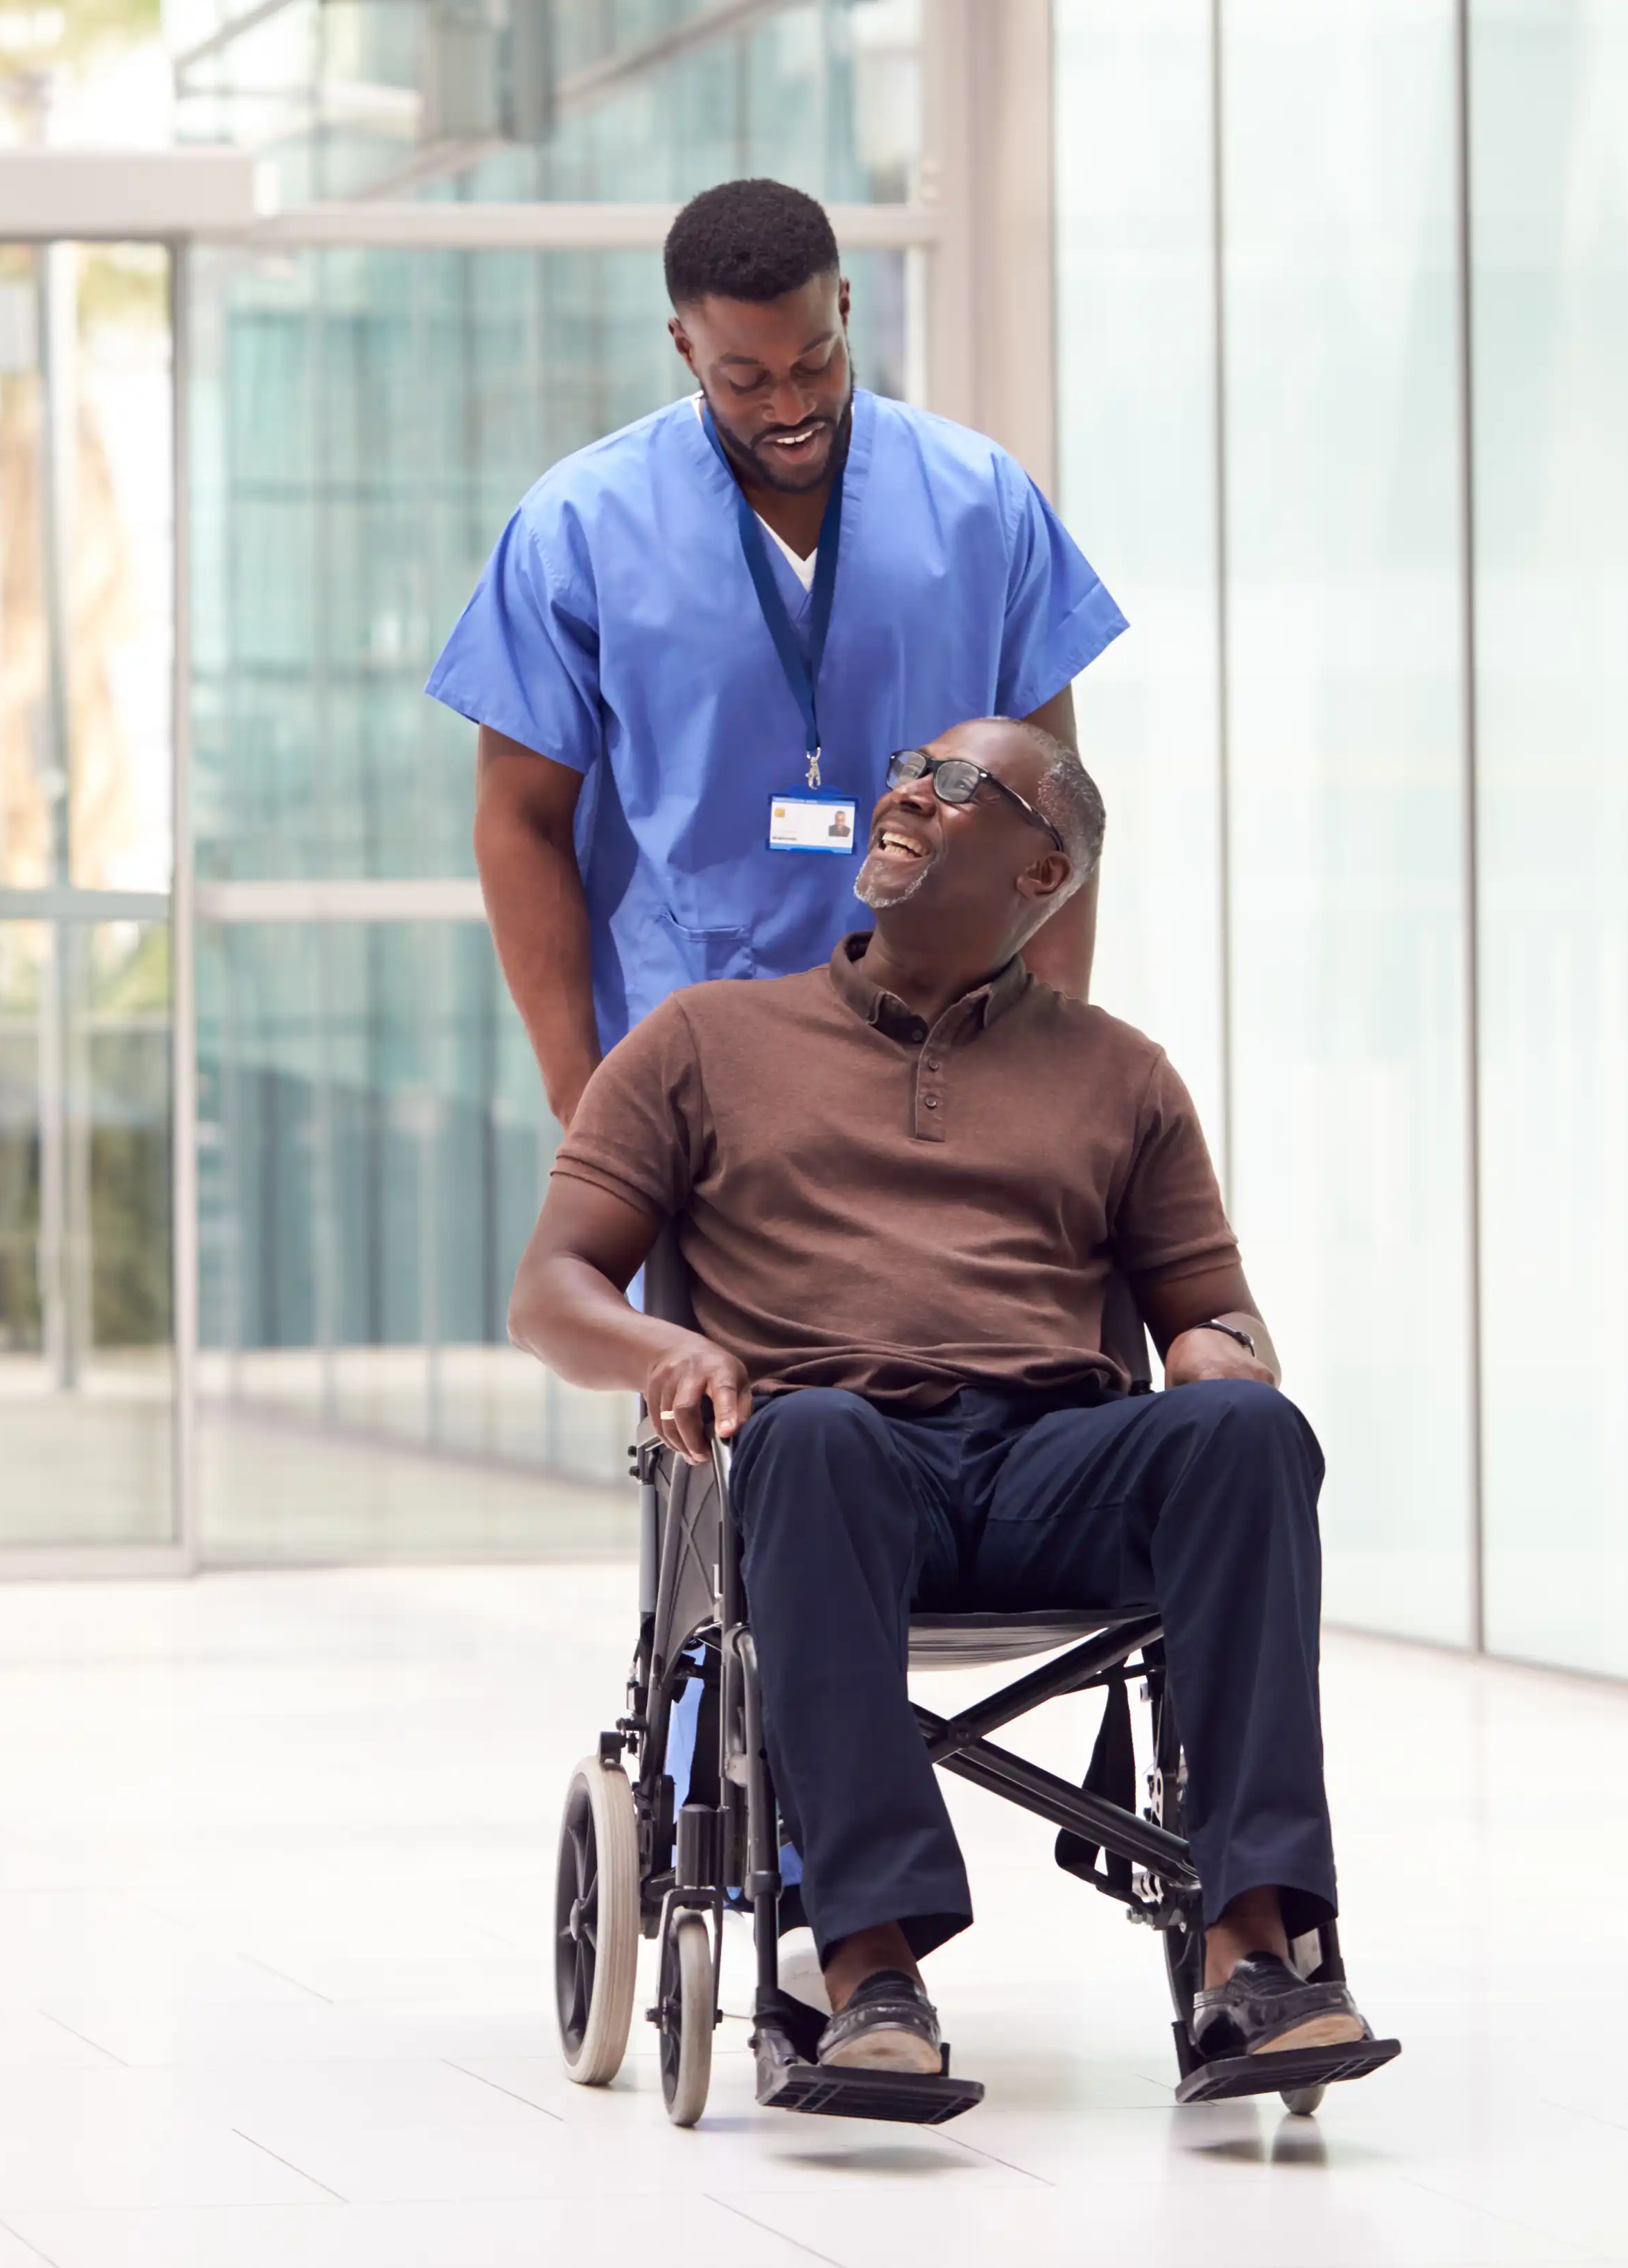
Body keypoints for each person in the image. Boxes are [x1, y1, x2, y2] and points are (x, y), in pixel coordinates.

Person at [504, 716, 1378, 2089]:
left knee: (1251, 1433)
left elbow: (1215, 1307)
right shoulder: (703, 1043)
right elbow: (552, 1287)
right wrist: (667, 1354)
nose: (904, 789)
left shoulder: (1121, 1075)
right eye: (905, 768)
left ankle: (1255, 1959)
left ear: (1044, 875)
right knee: (813, 1431)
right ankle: (865, 1974)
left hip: (1051, 1464)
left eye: (958, 785)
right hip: (836, 1472)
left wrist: (1222, 1348)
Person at [438, 180, 1127, 1129]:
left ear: (844, 304)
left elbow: (1054, 810)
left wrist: (1047, 1070)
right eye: (745, 379)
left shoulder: (980, 504)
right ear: (684, 348)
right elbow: (519, 820)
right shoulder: (578, 529)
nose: (791, 405)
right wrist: (582, 1101)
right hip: (687, 1083)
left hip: (943, 1073)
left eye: (816, 362)